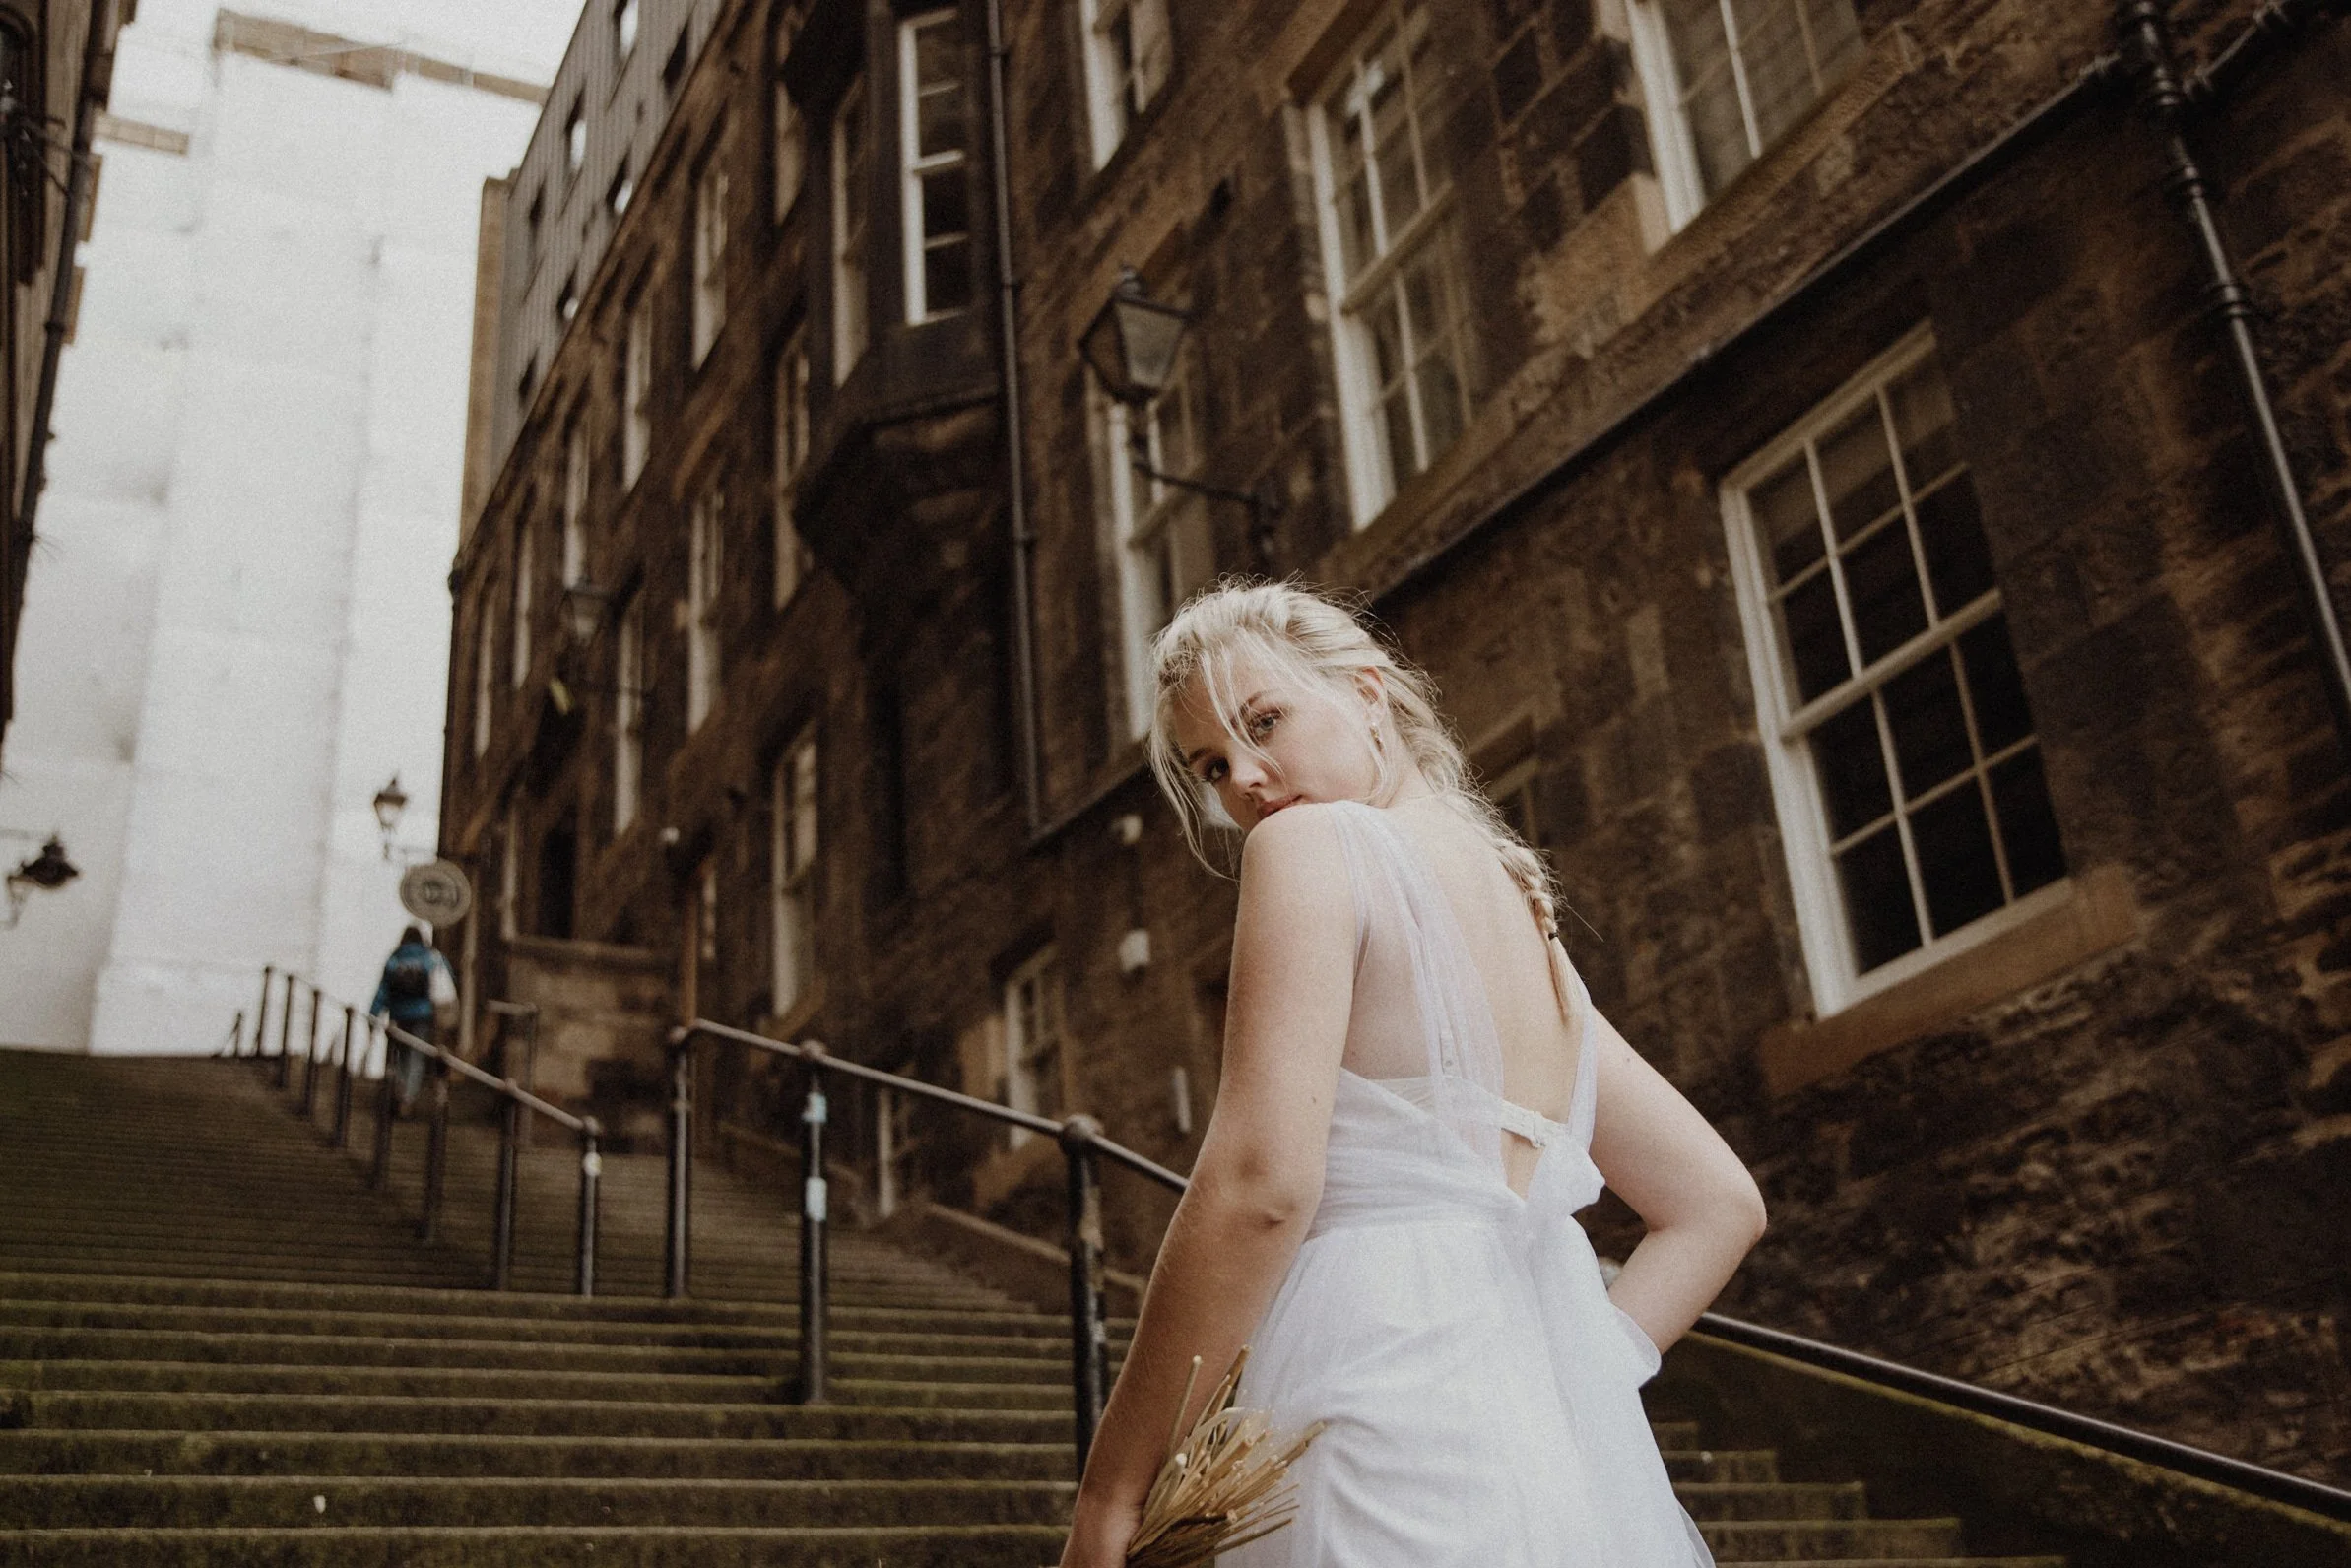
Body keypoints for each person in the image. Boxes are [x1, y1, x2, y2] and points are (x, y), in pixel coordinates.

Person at [1057, 580, 1767, 1567]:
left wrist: (1110, 1487)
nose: (1246, 779)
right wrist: (1580, 1372)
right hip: (1550, 1461)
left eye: (1264, 721)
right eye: (1210, 763)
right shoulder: (1529, 915)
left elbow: (1261, 1186)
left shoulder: (1309, 843)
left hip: (1372, 1411)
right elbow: (1716, 1202)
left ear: (1365, 690)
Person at [369, 925, 456, 1114]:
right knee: (416, 1057)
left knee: (399, 1056)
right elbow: (445, 984)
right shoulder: (431, 957)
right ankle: (408, 1098)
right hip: (423, 1015)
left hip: (398, 1015)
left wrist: (374, 1014)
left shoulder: (395, 958)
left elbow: (383, 990)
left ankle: (400, 1090)